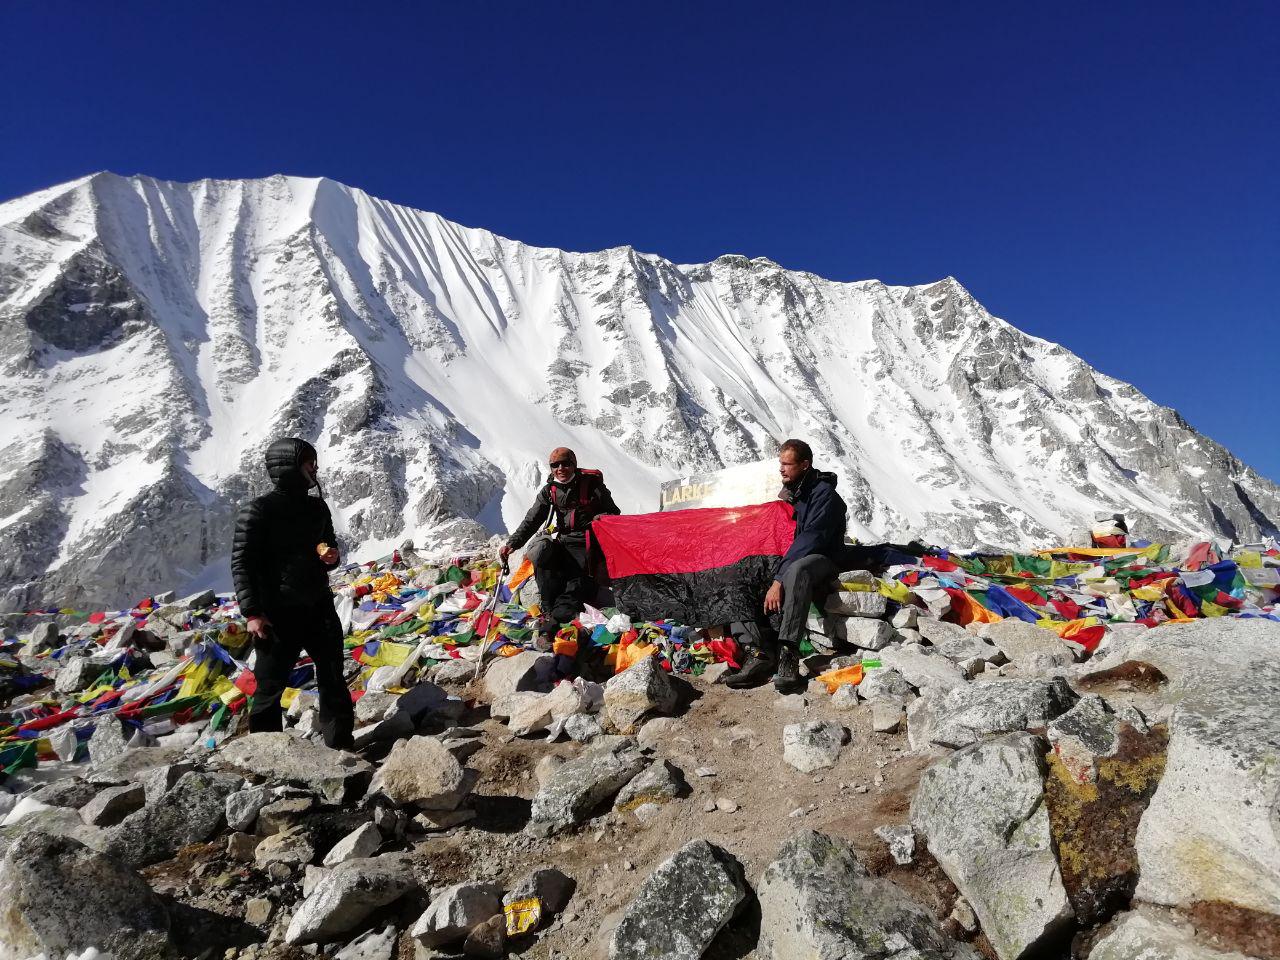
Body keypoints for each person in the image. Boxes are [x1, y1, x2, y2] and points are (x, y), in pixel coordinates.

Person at [231, 438, 354, 749]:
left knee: (333, 677)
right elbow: (242, 563)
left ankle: (340, 745)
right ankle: (265, 754)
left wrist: (331, 558)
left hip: (319, 606)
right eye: (308, 462)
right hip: (276, 615)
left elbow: (326, 548)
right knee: (269, 687)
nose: (315, 468)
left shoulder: (317, 507)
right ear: (289, 467)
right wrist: (252, 613)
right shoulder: (258, 511)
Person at [726, 439, 847, 693]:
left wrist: (779, 579)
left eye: (787, 464)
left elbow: (809, 540)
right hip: (792, 556)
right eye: (780, 463)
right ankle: (756, 652)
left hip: (822, 558)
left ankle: (788, 655)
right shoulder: (791, 493)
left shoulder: (824, 496)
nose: (781, 469)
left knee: (798, 570)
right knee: (742, 570)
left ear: (805, 465)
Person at [500, 447, 620, 635]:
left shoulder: (592, 486)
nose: (560, 468)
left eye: (565, 464)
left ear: (574, 465)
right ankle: (550, 608)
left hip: (587, 545)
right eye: (555, 465)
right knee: (542, 555)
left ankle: (559, 615)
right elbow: (533, 519)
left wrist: (598, 519)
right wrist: (512, 544)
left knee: (577, 583)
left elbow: (614, 512)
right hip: (564, 542)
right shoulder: (550, 490)